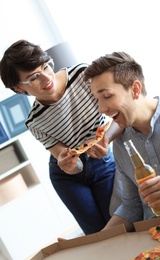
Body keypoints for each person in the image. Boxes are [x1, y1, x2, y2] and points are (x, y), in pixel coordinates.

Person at [0, 40, 123, 235]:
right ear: (19, 89)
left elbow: (120, 113)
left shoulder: (83, 75)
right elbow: (71, 164)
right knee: (95, 233)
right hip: (67, 176)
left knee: (118, 223)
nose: (46, 78)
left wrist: (105, 139)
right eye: (34, 77)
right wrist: (70, 166)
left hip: (102, 159)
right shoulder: (35, 122)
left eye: (46, 67)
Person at [84, 51, 160, 232]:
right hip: (157, 237)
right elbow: (132, 206)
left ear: (135, 89)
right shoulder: (121, 145)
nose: (101, 109)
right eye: (97, 100)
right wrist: (95, 242)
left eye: (107, 96)